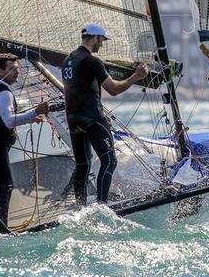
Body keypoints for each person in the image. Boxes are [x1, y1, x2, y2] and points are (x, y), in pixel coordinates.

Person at [62, 23, 148, 205]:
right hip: (92, 117)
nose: (102, 44)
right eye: (102, 40)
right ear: (95, 38)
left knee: (82, 166)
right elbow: (114, 89)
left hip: (72, 119)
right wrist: (136, 77)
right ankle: (102, 205)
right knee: (109, 161)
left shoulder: (67, 60)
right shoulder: (92, 61)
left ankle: (80, 207)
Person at [0, 53, 48, 232]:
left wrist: (31, 118)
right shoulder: (4, 92)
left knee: (3, 188)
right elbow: (8, 121)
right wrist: (34, 112)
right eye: (12, 69)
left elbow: (0, 118)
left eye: (18, 69)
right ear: (0, 71)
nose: (17, 72)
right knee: (5, 188)